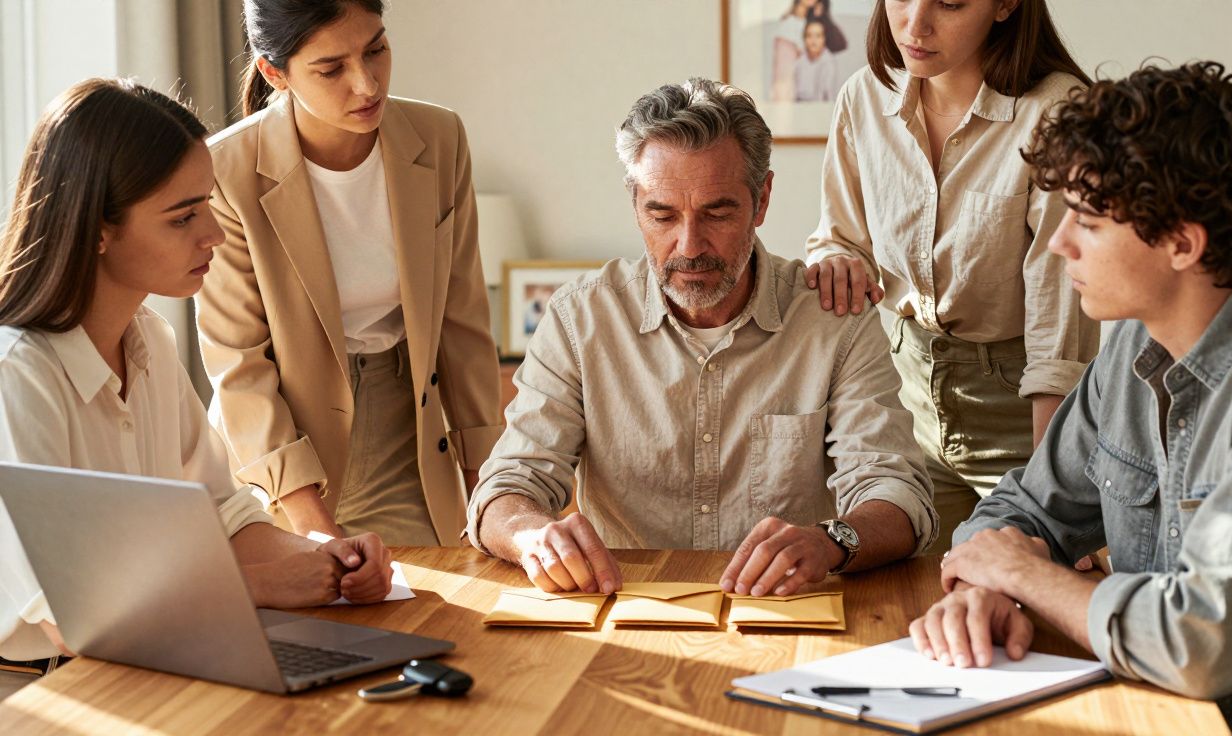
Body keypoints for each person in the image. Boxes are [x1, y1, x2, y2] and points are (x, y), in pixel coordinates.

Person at [912, 62, 1232, 735]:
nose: (1059, 242)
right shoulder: (1134, 341)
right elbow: (1025, 510)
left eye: (1089, 221)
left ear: (1182, 243)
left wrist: (1028, 579)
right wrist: (984, 587)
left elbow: (1203, 643)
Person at [467, 78, 937, 598]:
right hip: (623, 609)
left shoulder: (834, 319)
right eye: (662, 214)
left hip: (787, 612)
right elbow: (506, 487)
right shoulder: (579, 320)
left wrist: (830, 542)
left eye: (717, 213)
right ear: (635, 204)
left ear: (761, 200)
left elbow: (898, 495)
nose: (689, 246)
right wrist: (530, 535)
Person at [0, 78, 393, 682]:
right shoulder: (16, 377)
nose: (213, 233)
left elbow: (222, 515)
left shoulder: (149, 340)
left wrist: (326, 555)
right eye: (183, 216)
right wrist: (263, 585)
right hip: (39, 687)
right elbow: (74, 619)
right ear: (97, 229)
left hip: (150, 659)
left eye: (206, 204)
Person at [197, 0, 503, 547]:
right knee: (309, 599)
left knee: (437, 595)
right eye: (331, 68)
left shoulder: (439, 137)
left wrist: (489, 489)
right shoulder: (224, 172)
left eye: (376, 49)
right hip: (277, 445)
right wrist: (316, 530)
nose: (367, 84)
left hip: (407, 426)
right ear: (274, 72)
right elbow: (239, 363)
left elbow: (462, 319)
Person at [804, 0, 1098, 553]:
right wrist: (837, 258)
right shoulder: (864, 96)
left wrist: (1048, 496)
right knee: (898, 591)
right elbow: (838, 236)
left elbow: (1060, 323)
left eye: (950, 3)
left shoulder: (1056, 112)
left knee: (1011, 582)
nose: (915, 25)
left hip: (1021, 409)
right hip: (902, 394)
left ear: (1006, 5)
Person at [795, 19, 842, 102]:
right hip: (798, 106)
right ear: (804, 39)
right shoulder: (799, 60)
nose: (813, 40)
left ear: (824, 39)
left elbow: (827, 95)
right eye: (809, 35)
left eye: (818, 36)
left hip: (820, 106)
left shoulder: (829, 62)